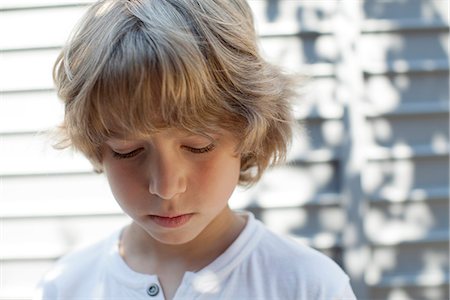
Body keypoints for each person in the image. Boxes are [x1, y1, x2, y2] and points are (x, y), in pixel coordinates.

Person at [34, 0, 356, 299]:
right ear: (98, 149)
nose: (166, 186)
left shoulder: (308, 286)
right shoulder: (66, 287)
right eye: (128, 150)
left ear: (248, 134)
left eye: (198, 146)